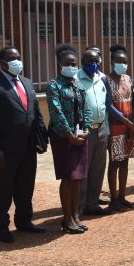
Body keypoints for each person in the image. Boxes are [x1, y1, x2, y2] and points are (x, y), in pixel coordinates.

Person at [0, 46, 47, 243]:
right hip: (5, 150)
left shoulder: (26, 82)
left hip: (28, 147)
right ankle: (2, 226)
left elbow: (35, 111)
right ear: (2, 62)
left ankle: (24, 221)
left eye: (18, 57)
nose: (17, 61)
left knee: (25, 186)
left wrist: (41, 137)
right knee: (3, 189)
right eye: (13, 58)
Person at [47, 45, 91, 234]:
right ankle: (66, 219)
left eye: (74, 63)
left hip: (81, 136)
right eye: (67, 63)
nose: (71, 66)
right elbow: (56, 112)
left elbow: (86, 108)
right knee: (68, 177)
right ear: (60, 64)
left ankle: (75, 215)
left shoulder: (78, 84)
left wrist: (87, 129)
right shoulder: (53, 85)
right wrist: (69, 134)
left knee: (78, 177)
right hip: (63, 138)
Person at [77, 48, 112, 217]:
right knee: (83, 169)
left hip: (102, 128)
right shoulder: (76, 79)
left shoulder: (102, 78)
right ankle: (78, 206)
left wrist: (108, 128)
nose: (94, 65)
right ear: (83, 62)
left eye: (96, 62)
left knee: (98, 168)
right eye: (90, 62)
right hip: (85, 129)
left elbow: (106, 105)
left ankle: (92, 203)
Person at [106, 45, 134, 211]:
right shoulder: (107, 80)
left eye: (125, 61)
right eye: (119, 61)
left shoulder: (128, 78)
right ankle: (113, 199)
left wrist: (133, 124)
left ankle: (122, 196)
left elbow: (133, 102)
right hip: (116, 126)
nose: (122, 64)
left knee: (125, 162)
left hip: (129, 127)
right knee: (114, 163)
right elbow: (109, 105)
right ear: (112, 62)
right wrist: (127, 122)